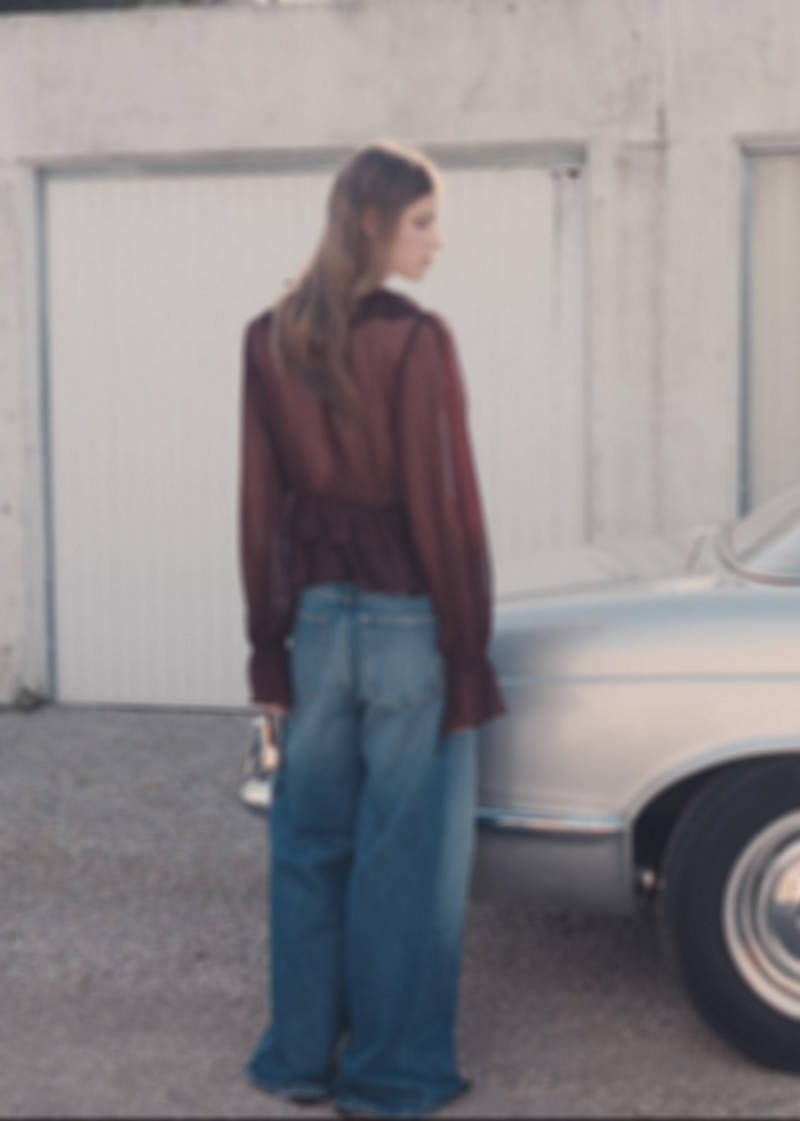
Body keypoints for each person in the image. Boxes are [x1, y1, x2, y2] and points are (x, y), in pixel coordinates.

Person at [238, 139, 506, 1118]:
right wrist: (466, 652)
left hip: (316, 622)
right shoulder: (416, 340)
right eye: (423, 221)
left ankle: (299, 1056)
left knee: (309, 841)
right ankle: (390, 1072)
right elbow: (446, 509)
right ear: (370, 223)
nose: (436, 241)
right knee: (405, 852)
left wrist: (269, 649)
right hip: (404, 626)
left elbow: (259, 508)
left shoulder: (267, 337)